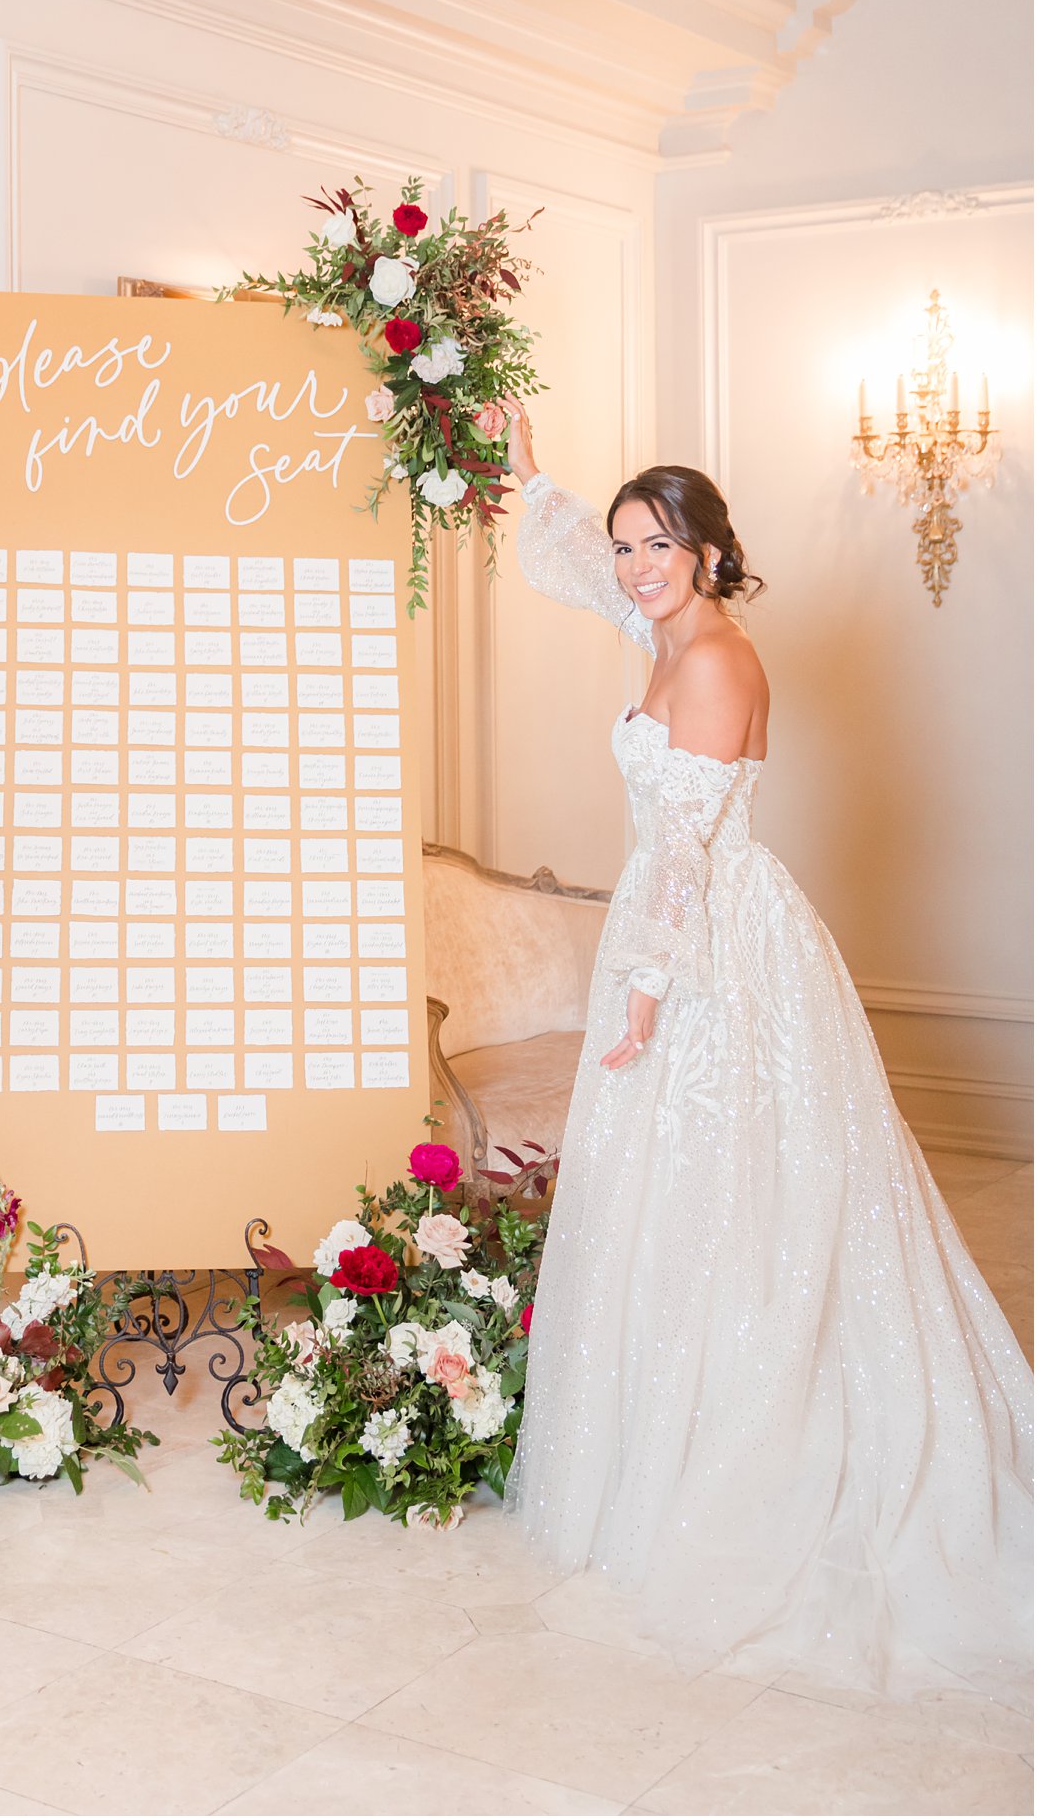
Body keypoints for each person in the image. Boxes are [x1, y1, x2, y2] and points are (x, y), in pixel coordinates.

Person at [500, 398, 1033, 1706]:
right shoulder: (665, 631)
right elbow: (582, 581)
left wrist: (643, 996)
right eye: (627, 543)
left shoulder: (720, 660)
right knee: (665, 1205)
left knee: (746, 1198)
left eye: (656, 543)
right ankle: (653, 1452)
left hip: (717, 947)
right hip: (672, 929)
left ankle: (751, 1457)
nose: (634, 563)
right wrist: (531, 483)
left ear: (710, 552)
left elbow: (683, 850)